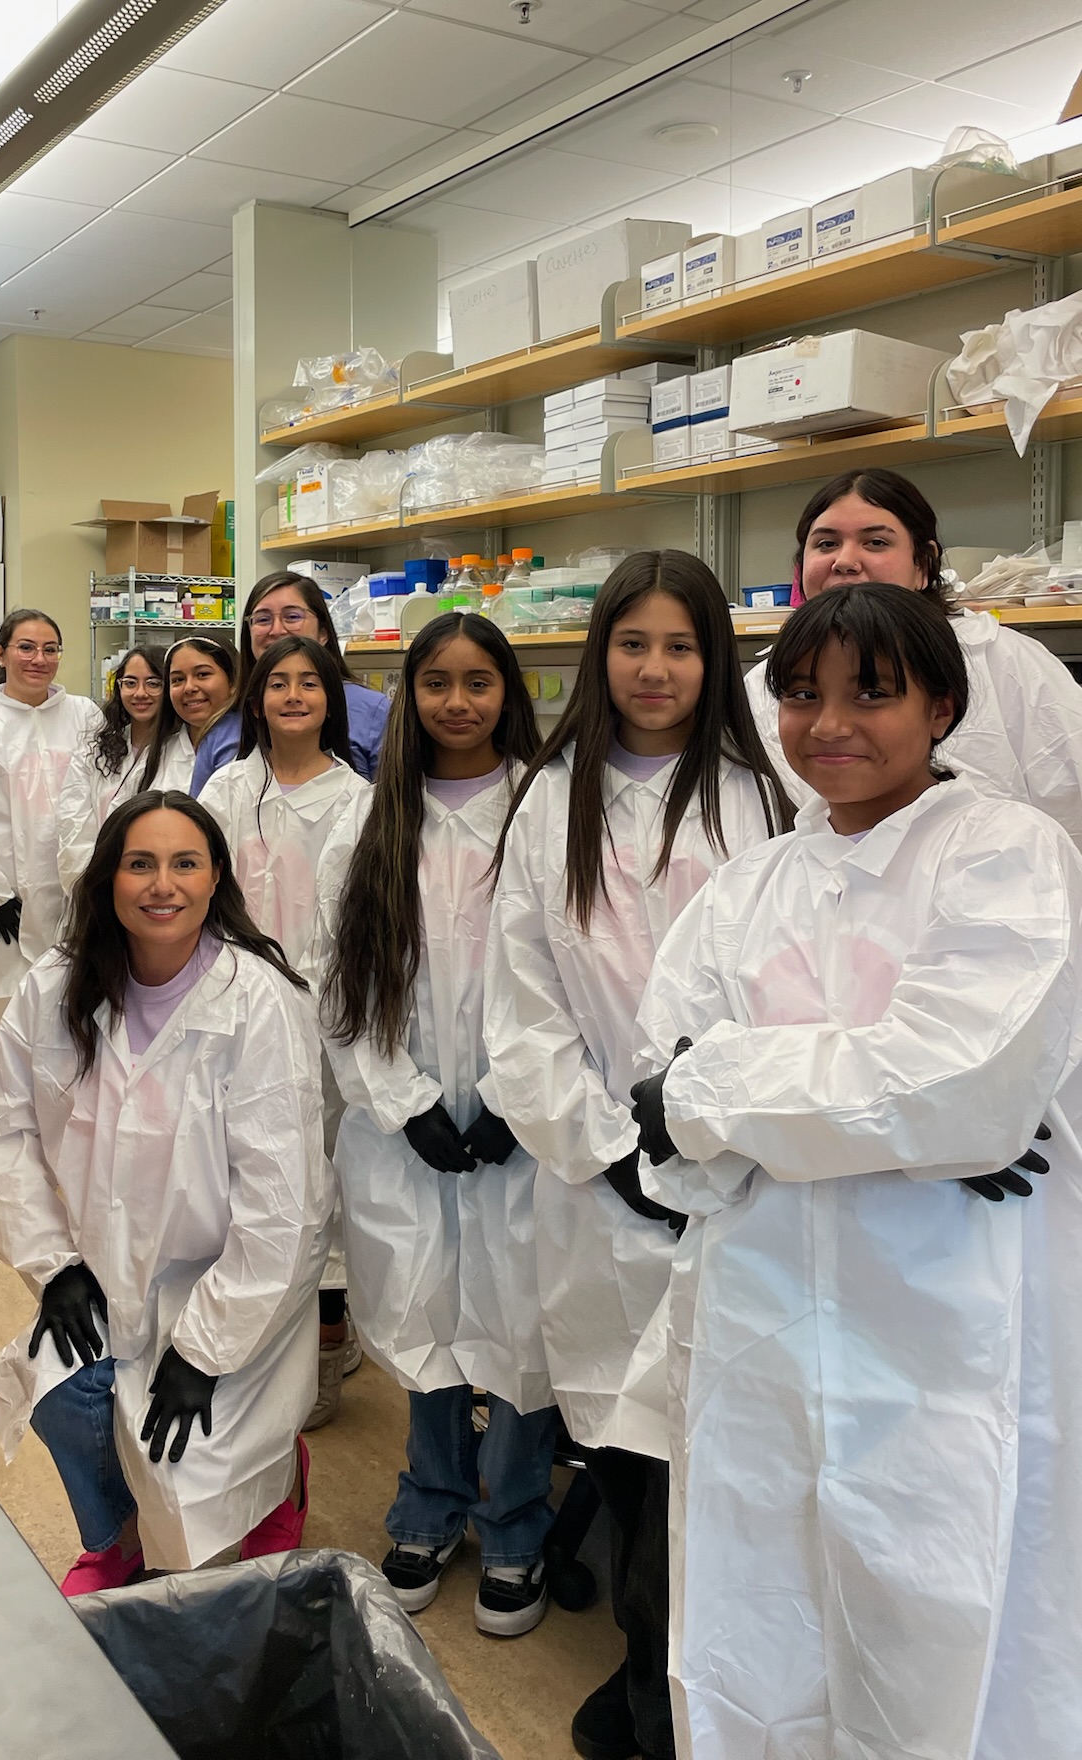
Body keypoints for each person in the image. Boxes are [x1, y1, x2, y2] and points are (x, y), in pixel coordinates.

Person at [630, 581, 1082, 1760]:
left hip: (948, 1329)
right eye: (800, 694)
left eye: (870, 694)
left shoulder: (1005, 851)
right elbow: (659, 1106)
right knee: (757, 1617)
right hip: (762, 1322)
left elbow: (956, 1085)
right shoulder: (749, 885)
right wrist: (863, 1112)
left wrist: (724, 1091)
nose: (829, 722)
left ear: (941, 703)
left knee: (945, 1621)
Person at [484, 552, 792, 1760]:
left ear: (715, 661)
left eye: (681, 645)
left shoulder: (757, 799)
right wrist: (607, 1147)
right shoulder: (549, 796)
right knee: (618, 1444)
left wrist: (706, 1139)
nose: (655, 668)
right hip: (601, 1195)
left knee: (715, 1462)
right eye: (633, 643)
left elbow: (783, 993)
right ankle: (646, 1665)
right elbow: (523, 1002)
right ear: (597, 653)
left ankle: (697, 1688)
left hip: (732, 1183)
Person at [0, 791, 333, 1592]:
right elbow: (0, 1137)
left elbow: (287, 1207)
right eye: (140, 863)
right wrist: (53, 1265)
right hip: (102, 1274)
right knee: (63, 1395)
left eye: (184, 864)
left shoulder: (259, 1002)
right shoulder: (54, 989)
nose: (161, 885)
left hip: (232, 1294)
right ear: (107, 878)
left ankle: (277, 1478)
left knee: (186, 1466)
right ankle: (118, 1537)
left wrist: (205, 1352)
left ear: (215, 880)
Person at [318, 611, 560, 1638]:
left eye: (479, 681)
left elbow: (577, 974)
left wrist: (521, 1095)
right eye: (436, 683)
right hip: (406, 1124)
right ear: (406, 697)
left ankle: (513, 1515)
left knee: (521, 1313)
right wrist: (403, 1099)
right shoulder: (367, 821)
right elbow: (339, 984)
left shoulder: (548, 812)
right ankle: (430, 1498)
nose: (458, 701)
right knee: (420, 1309)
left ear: (510, 689)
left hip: (525, 1123)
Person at [200, 636, 363, 1431]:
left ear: (331, 698)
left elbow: (348, 927)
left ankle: (327, 1351)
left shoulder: (358, 800)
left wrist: (307, 1003)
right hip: (234, 1015)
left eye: (310, 683)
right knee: (245, 1183)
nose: (294, 695)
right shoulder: (230, 789)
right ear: (256, 699)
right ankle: (249, 1340)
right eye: (278, 684)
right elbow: (205, 898)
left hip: (325, 1028)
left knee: (320, 1189)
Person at [746, 467, 1082, 843]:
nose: (845, 560)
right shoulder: (763, 683)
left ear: (922, 564)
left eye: (875, 543)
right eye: (826, 544)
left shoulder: (1002, 658)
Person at [0, 609, 103, 1041]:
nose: (39, 658)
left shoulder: (85, 715)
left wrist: (90, 881)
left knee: (75, 1012)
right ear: (1, 654)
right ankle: (6, 1110)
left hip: (73, 891)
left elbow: (101, 798)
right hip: (3, 900)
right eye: (26, 647)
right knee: (8, 1017)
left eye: (50, 649)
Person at [189, 572, 390, 793]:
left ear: (323, 632)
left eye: (292, 617)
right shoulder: (224, 724)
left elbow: (394, 806)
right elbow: (199, 823)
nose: (276, 631)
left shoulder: (373, 711)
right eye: (263, 619)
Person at [55, 644, 168, 898]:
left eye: (153, 683)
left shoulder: (181, 753)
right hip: (93, 883)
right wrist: (91, 880)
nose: (140, 693)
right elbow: (73, 819)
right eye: (130, 683)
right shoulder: (97, 748)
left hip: (151, 888)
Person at [142, 636, 236, 794]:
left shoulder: (249, 746)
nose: (189, 688)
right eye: (178, 679)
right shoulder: (158, 753)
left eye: (202, 674)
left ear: (233, 681)